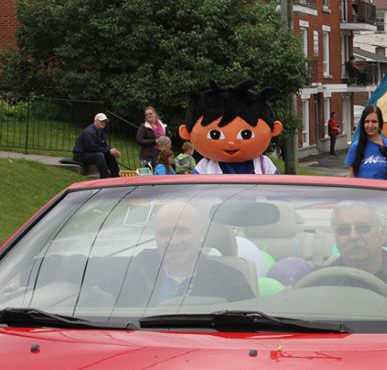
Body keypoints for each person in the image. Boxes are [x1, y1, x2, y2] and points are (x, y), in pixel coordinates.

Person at [118, 202, 254, 306]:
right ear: (155, 237)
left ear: (200, 234)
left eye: (183, 231)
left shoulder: (231, 281)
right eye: (164, 233)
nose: (174, 241)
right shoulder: (134, 270)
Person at [180, 80, 283, 174]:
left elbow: (277, 189)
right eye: (215, 134)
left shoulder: (264, 164)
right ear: (186, 133)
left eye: (246, 134)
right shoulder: (205, 166)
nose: (231, 143)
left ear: (274, 130)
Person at [345, 104, 387, 180]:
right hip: (361, 192)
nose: (370, 125)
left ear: (380, 123)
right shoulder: (355, 147)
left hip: (385, 191)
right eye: (367, 121)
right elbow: (351, 179)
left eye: (374, 121)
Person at [72, 113, 121, 178]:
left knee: (109, 155)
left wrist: (112, 151)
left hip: (90, 153)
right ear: (95, 121)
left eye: (105, 121)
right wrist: (108, 151)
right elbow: (92, 148)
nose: (103, 123)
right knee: (99, 156)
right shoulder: (89, 132)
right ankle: (105, 177)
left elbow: (104, 146)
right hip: (81, 155)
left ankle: (116, 177)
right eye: (101, 121)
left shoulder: (101, 132)